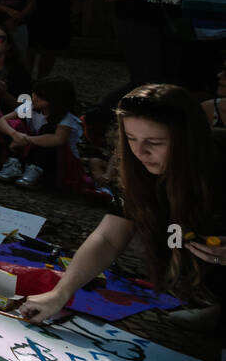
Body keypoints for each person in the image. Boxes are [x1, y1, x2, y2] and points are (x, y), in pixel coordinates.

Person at [21, 84, 226, 345]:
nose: (140, 152)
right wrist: (60, 294)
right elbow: (108, 237)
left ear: (187, 138)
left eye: (155, 143)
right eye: (131, 139)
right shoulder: (139, 170)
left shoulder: (218, 163)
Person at [0, 77, 87, 191]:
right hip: (32, 147)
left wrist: (26, 139)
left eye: (40, 97)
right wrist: (14, 134)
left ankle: (37, 170)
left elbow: (58, 139)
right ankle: (14, 165)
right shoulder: (30, 107)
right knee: (15, 124)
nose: (34, 98)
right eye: (35, 94)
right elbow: (1, 121)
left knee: (47, 130)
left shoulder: (66, 119)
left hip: (57, 159)